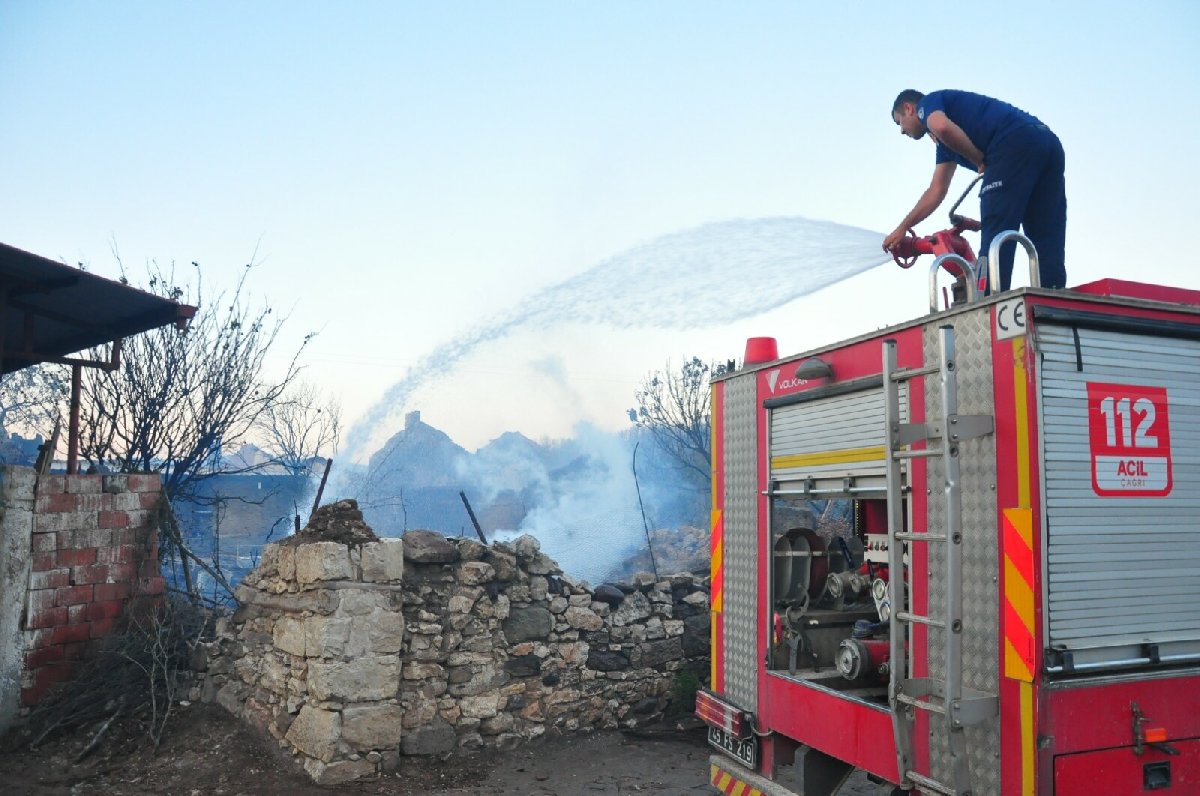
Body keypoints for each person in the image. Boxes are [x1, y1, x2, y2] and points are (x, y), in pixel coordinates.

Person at [882, 89, 1067, 291]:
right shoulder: (946, 147)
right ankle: (1054, 293)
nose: (902, 130)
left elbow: (941, 126)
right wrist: (903, 228)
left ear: (909, 108)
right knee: (1045, 228)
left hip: (1011, 143)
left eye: (899, 122)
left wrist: (978, 160)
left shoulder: (928, 103)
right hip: (1047, 142)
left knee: (997, 232)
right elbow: (936, 191)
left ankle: (990, 301)